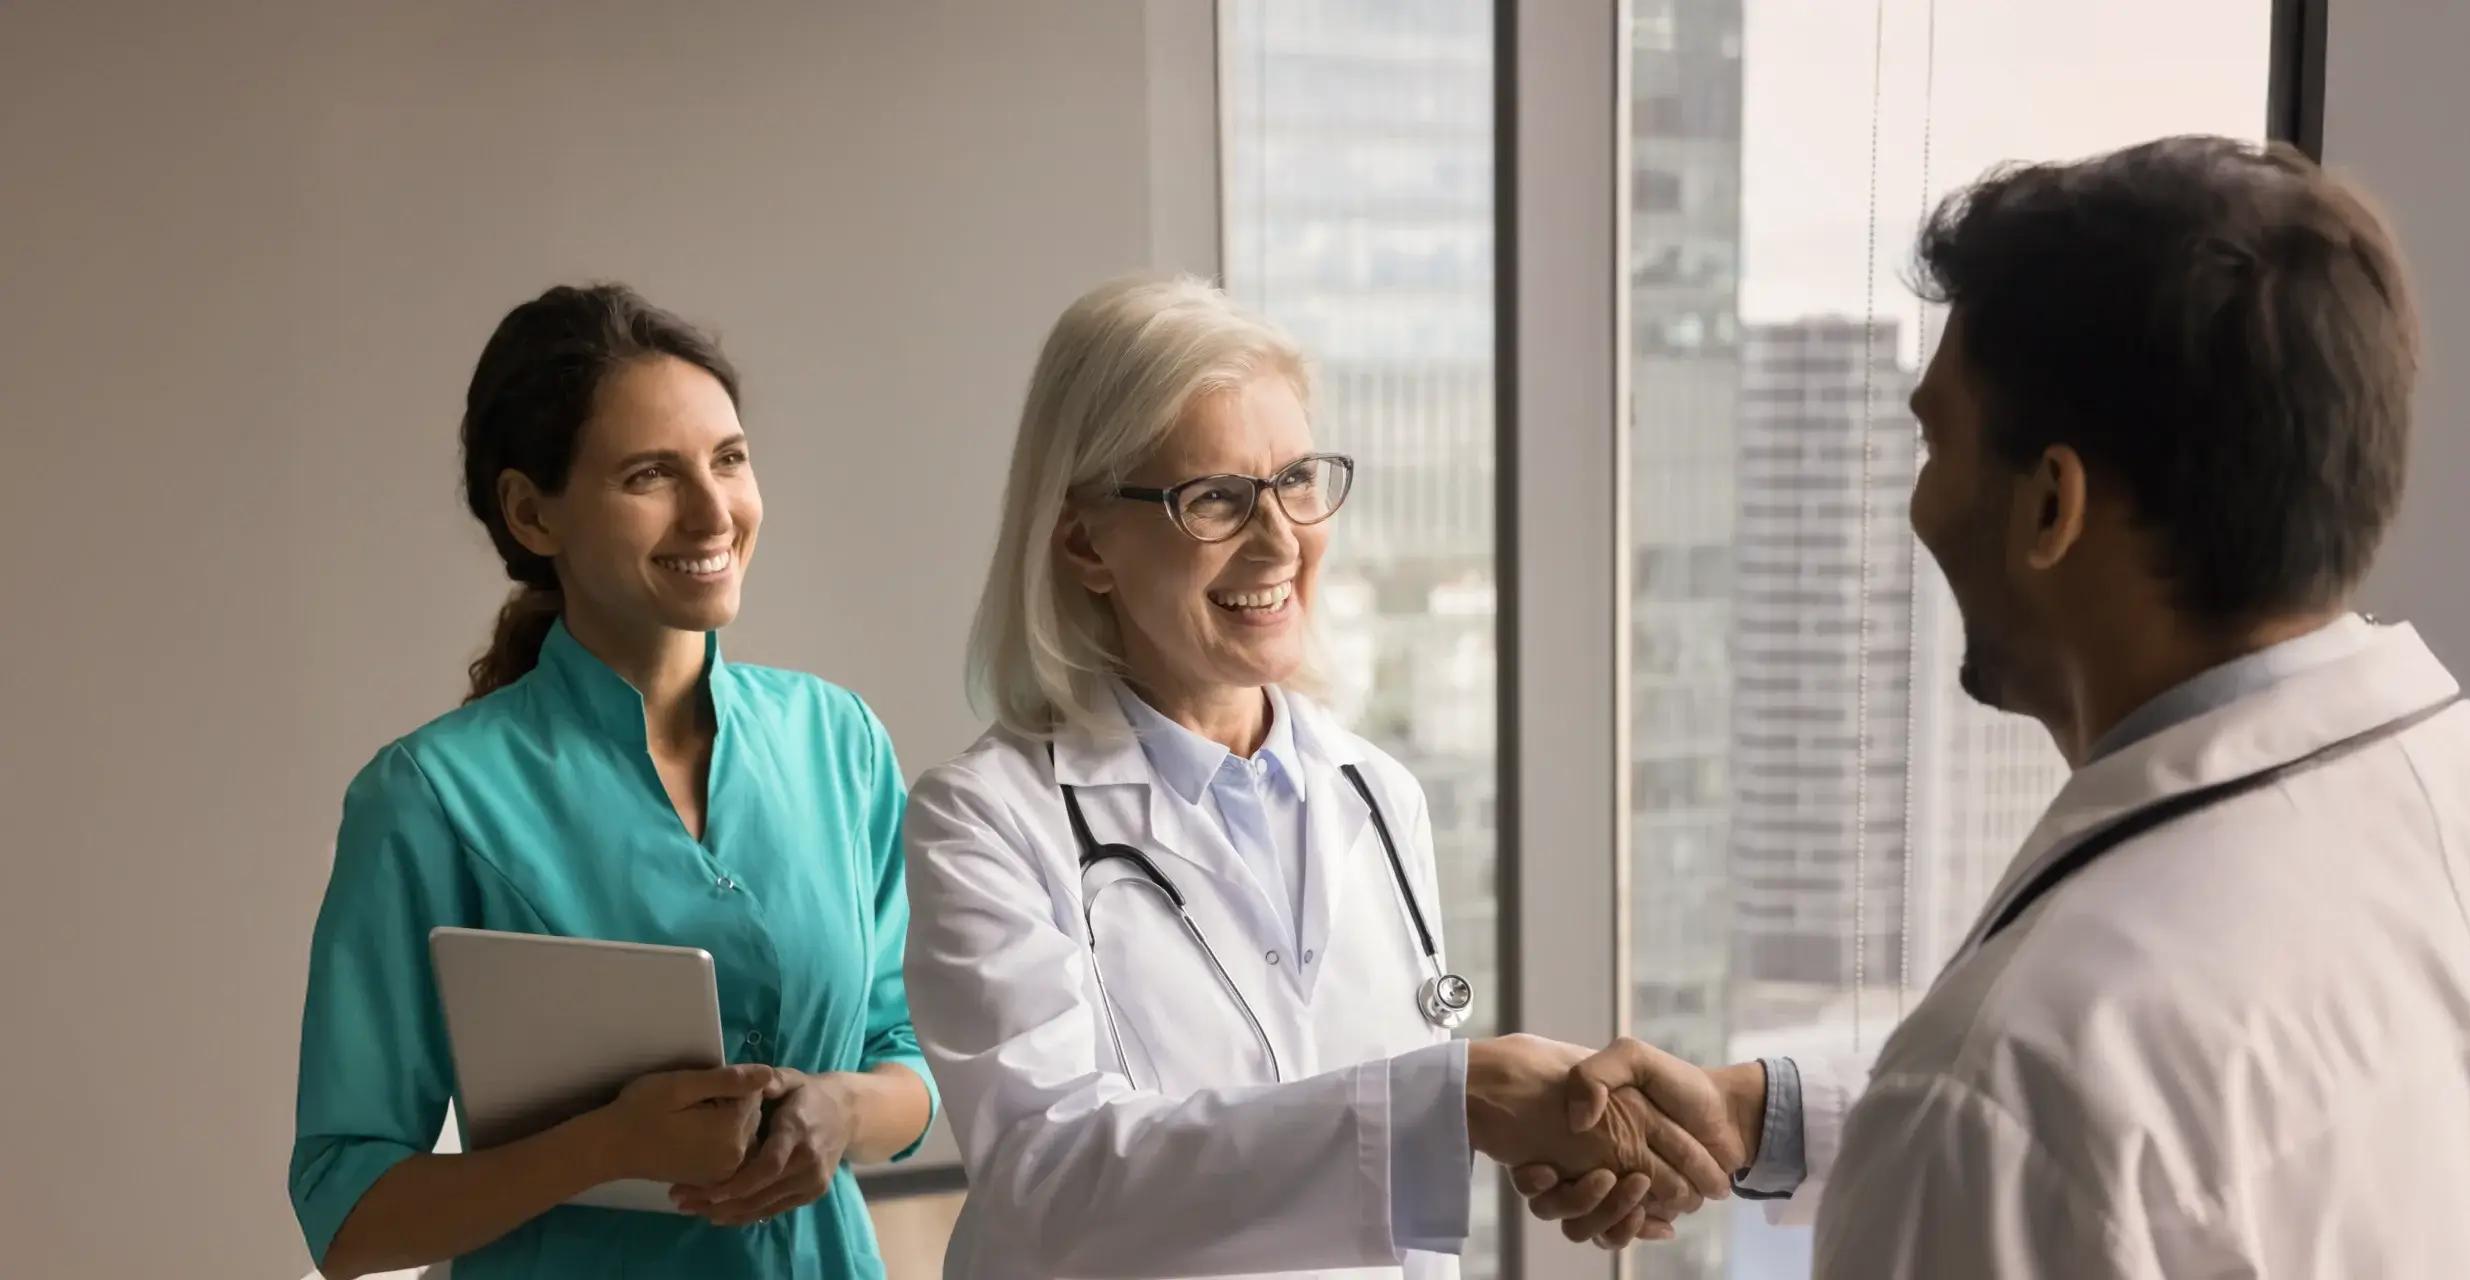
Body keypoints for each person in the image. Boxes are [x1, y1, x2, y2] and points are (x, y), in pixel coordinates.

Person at [1517, 135, 2470, 1275]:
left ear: (2052, 503)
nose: (1916, 507)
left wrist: (1935, 1116)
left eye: (1933, 440)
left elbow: (2052, 1134)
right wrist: (1770, 1120)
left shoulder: (2009, 1083)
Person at [899, 275, 1742, 1279]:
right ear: (1086, 541)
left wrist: (1547, 1132)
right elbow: (1051, 1178)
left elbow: (1388, 1201)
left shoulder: (1378, 794)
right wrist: (1454, 1098)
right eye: (1213, 496)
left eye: (1297, 480)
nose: (1280, 539)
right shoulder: (988, 821)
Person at [288, 284, 938, 1279]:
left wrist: (840, 1111)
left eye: (729, 459)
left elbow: (913, 1050)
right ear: (529, 511)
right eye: (651, 474)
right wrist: (604, 1146)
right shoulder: (429, 797)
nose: (713, 510)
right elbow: (348, 1212)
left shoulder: (837, 740)